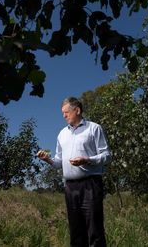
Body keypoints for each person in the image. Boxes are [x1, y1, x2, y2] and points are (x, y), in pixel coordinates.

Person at [37, 97, 111, 247]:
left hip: (90, 185)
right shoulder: (62, 134)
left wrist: (87, 160)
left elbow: (107, 155)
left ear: (77, 110)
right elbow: (58, 162)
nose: (64, 116)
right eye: (62, 113)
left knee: (94, 229)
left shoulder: (94, 128)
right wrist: (48, 159)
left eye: (66, 112)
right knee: (76, 231)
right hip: (70, 188)